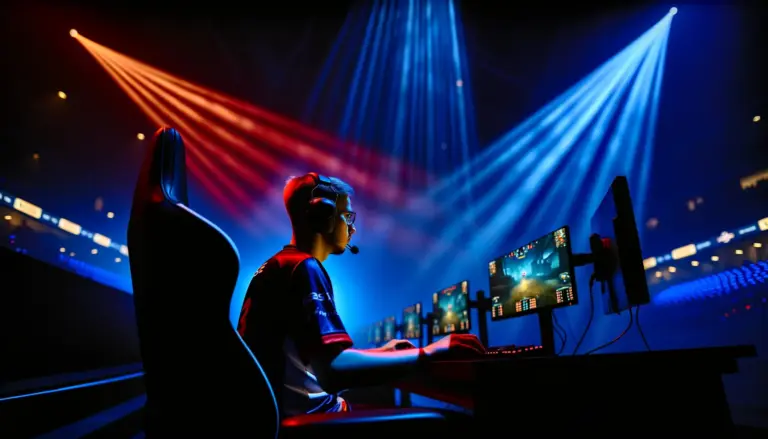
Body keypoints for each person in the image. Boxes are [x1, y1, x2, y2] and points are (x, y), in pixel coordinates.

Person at [236, 172, 485, 417]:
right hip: (309, 420)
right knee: (448, 420)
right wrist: (430, 351)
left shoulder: (278, 266)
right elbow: (334, 372)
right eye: (347, 216)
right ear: (324, 215)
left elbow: (319, 360)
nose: (352, 228)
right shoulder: (304, 268)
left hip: (276, 417)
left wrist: (383, 353)